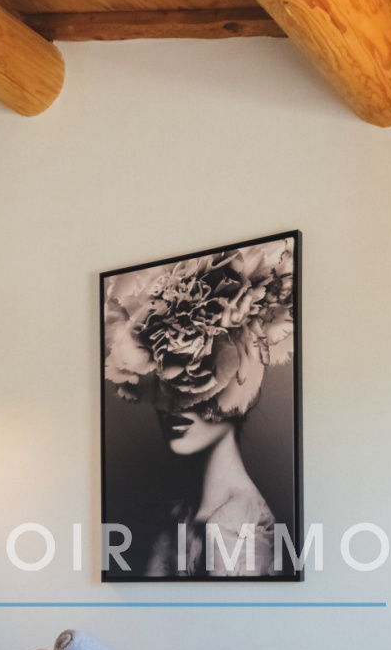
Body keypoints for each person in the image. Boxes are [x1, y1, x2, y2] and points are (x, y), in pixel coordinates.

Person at [102, 238, 294, 578]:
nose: (174, 403)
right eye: (164, 376)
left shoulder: (238, 529)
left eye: (193, 377)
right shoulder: (176, 513)